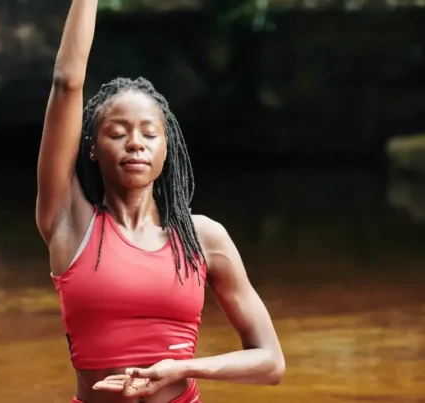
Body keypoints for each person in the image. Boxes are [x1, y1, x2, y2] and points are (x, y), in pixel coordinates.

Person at [35, 1, 285, 402]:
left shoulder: (204, 238)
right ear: (93, 149)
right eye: (117, 132)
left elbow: (270, 362)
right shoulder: (68, 222)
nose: (135, 143)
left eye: (149, 134)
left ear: (167, 149)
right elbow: (67, 82)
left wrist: (185, 367)